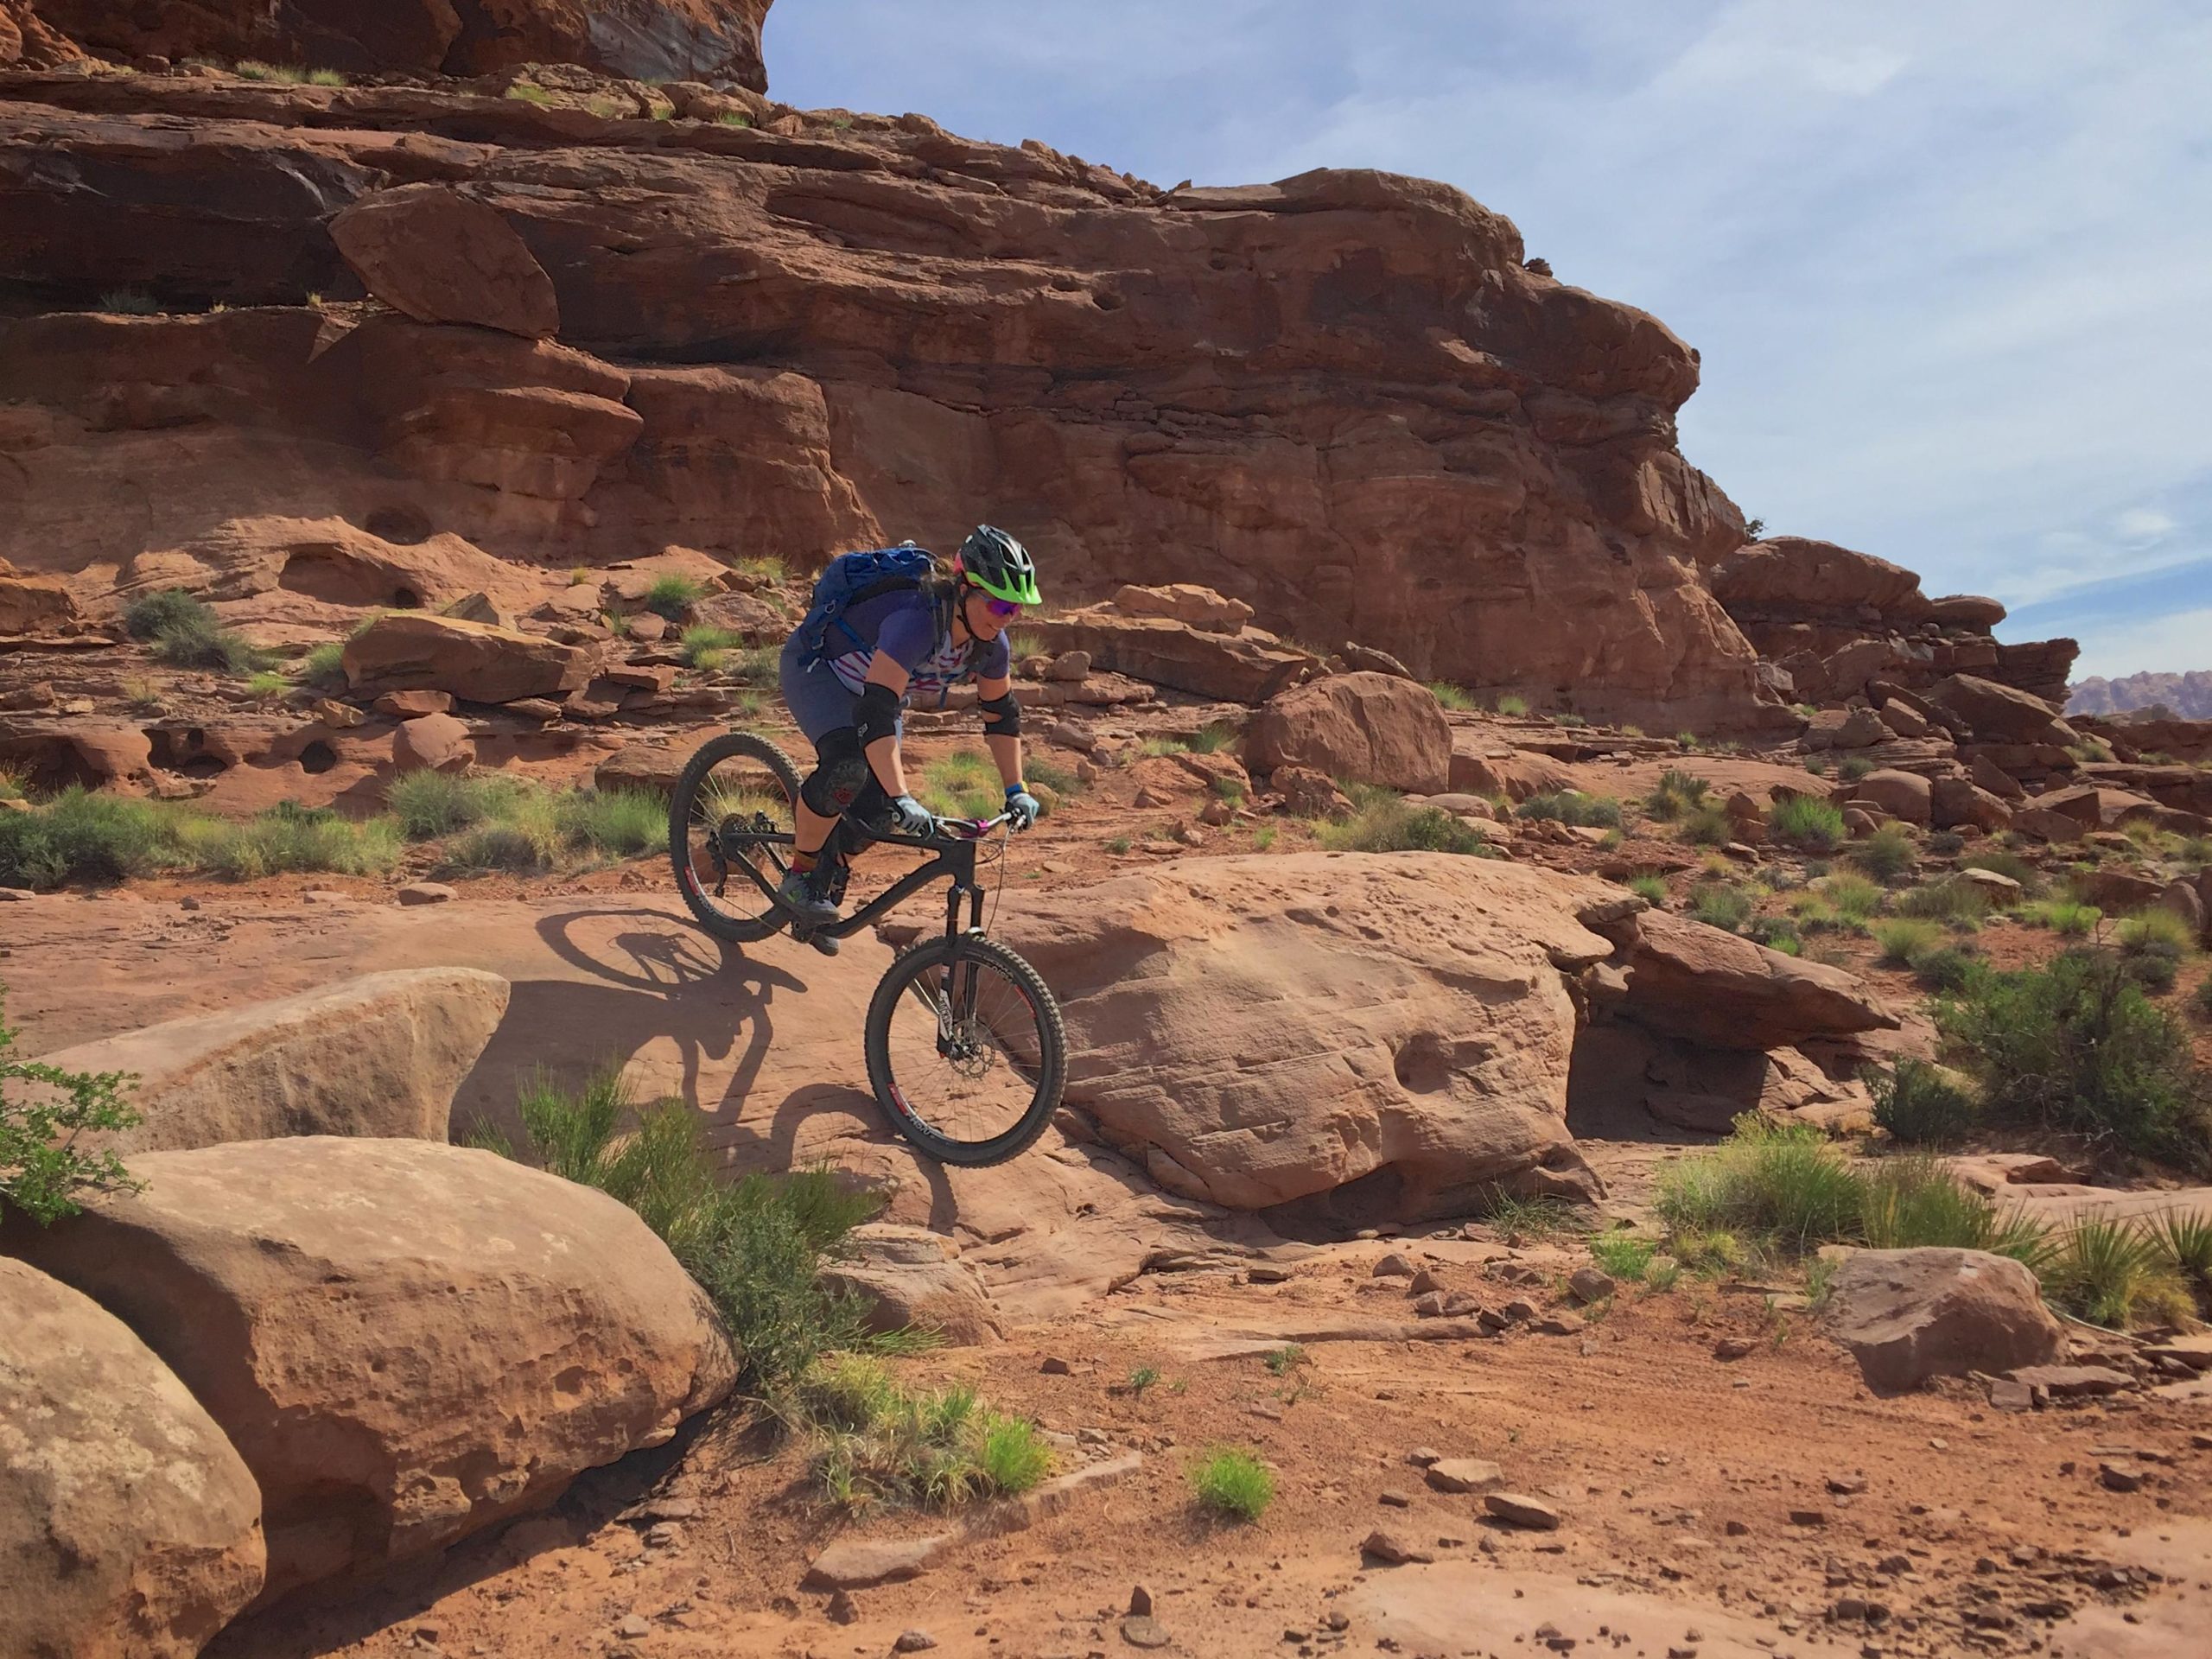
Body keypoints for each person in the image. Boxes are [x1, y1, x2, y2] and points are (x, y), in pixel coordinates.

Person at [773, 525, 1044, 938]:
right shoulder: (916, 622)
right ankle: (800, 874)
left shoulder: (991, 645)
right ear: (966, 589)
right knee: (847, 768)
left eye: (1015, 610)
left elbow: (1000, 715)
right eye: (1001, 606)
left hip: (875, 695)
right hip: (822, 674)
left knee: (880, 809)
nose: (1008, 618)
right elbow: (876, 710)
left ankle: (831, 870)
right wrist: (904, 794)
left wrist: (1016, 790)